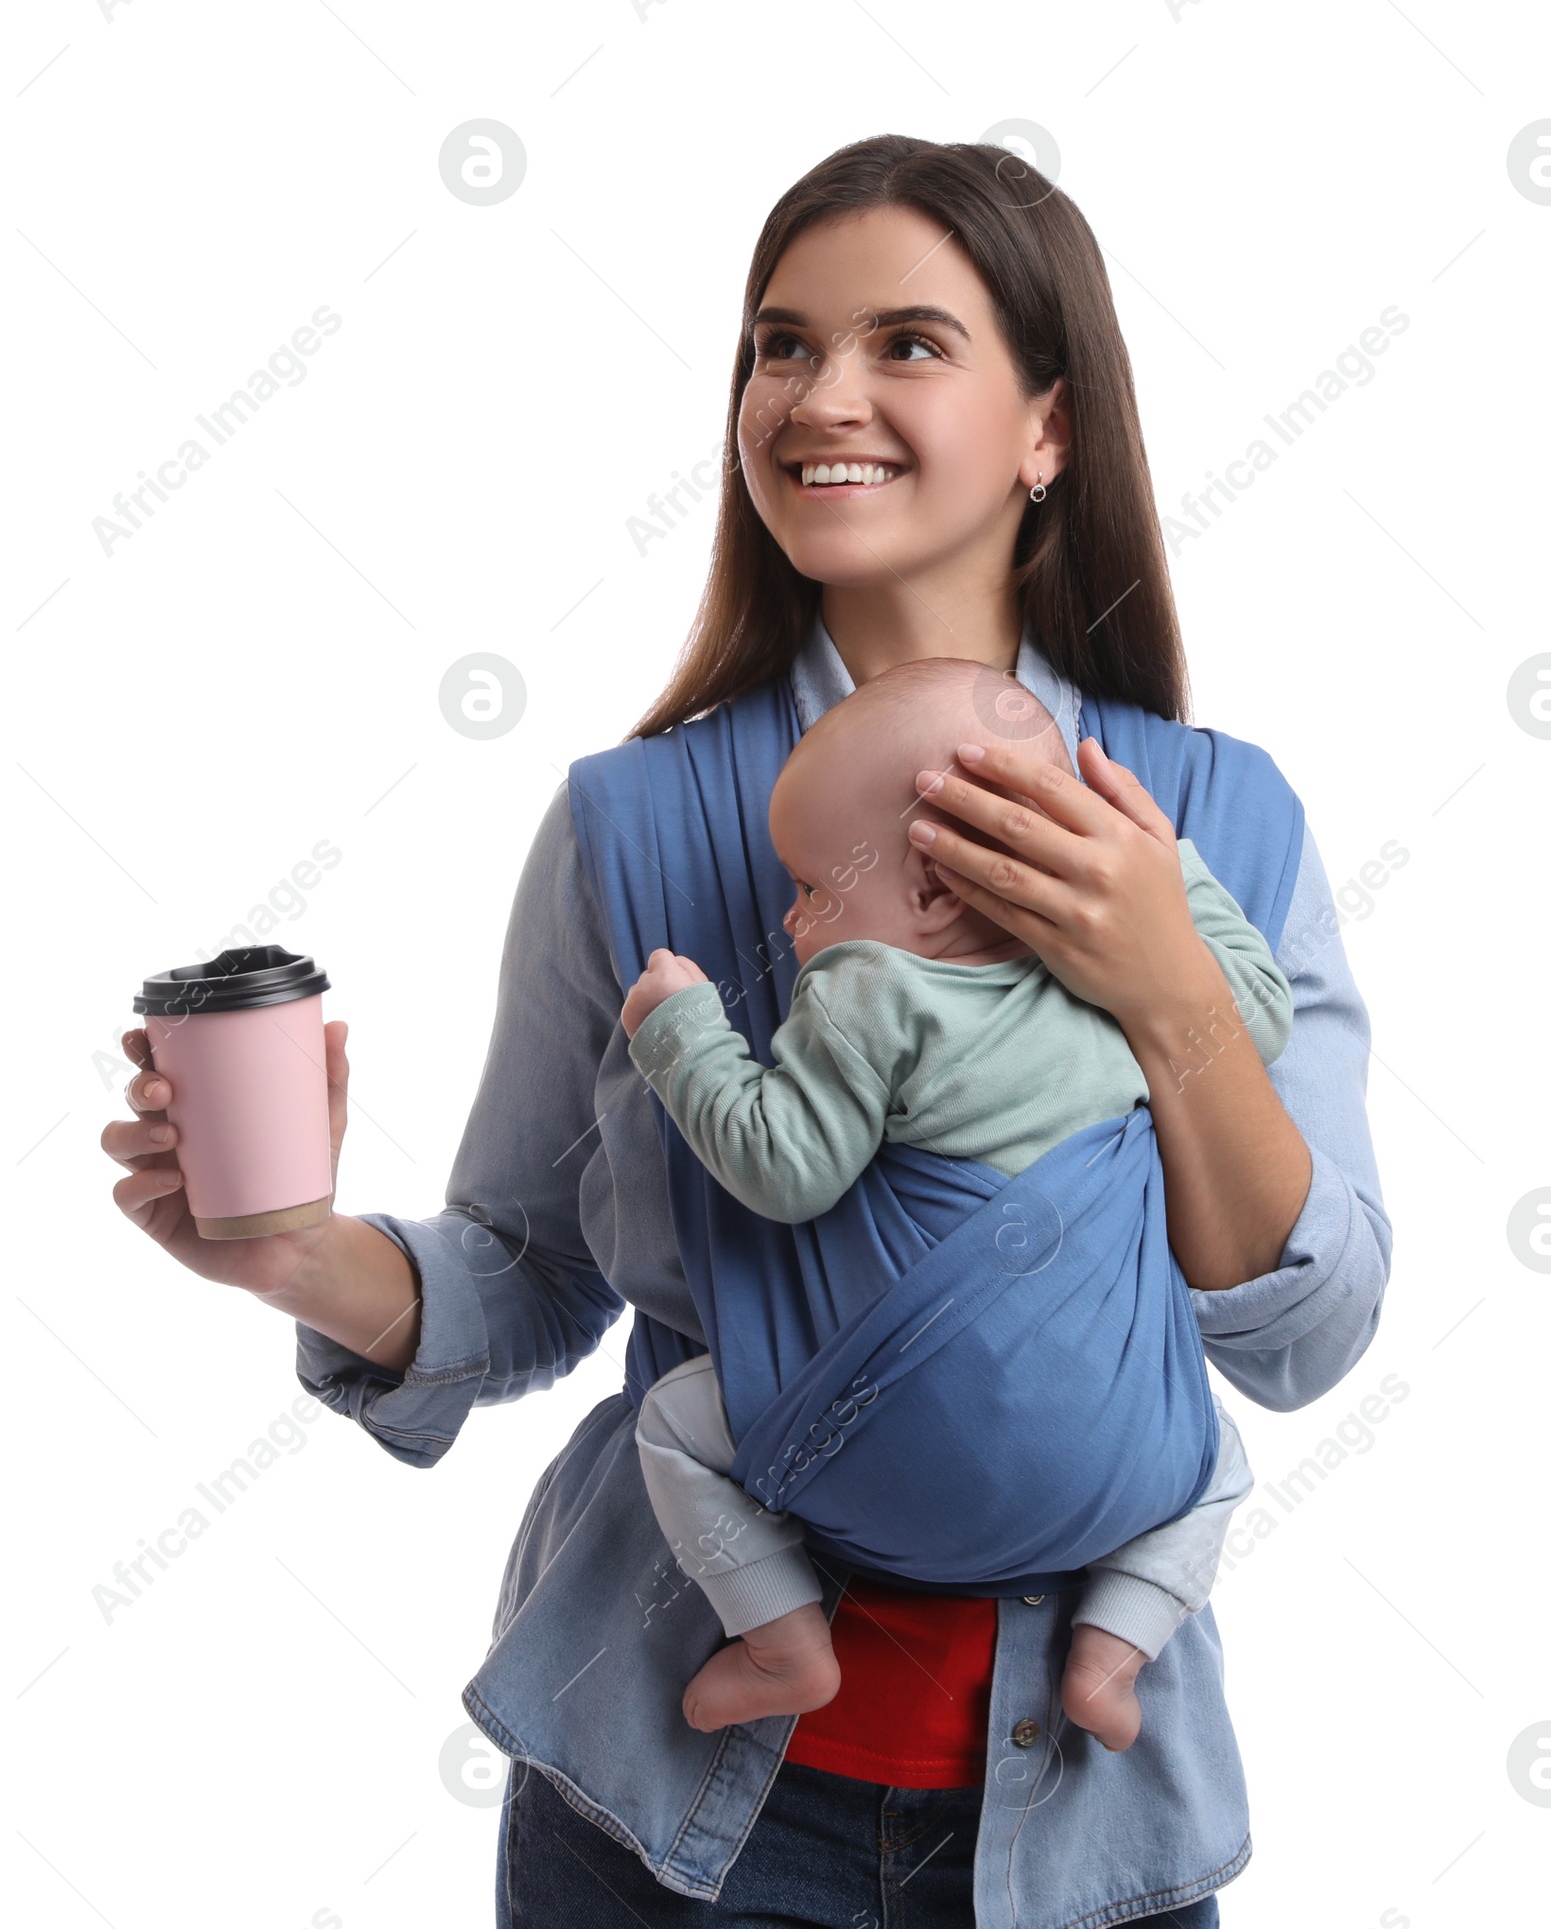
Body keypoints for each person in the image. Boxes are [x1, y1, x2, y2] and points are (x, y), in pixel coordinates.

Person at [102, 135, 1392, 1927]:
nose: (818, 396)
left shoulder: (1217, 823)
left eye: (907, 344)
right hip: (656, 1807)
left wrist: (1172, 988)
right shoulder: (634, 825)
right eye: (779, 346)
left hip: (1077, 1820)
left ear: (1052, 428)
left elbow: (1305, 1335)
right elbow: (533, 1275)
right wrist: (303, 1255)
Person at [621, 656, 1275, 1749]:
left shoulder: (867, 988)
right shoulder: (1115, 991)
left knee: (673, 1428)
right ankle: (1112, 1653)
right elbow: (1249, 1018)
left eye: (810, 888)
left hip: (882, 1465)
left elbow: (786, 1169)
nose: (790, 923)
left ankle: (781, 1639)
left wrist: (681, 1036)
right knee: (1218, 1459)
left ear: (925, 892)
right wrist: (1168, 881)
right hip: (1123, 1474)